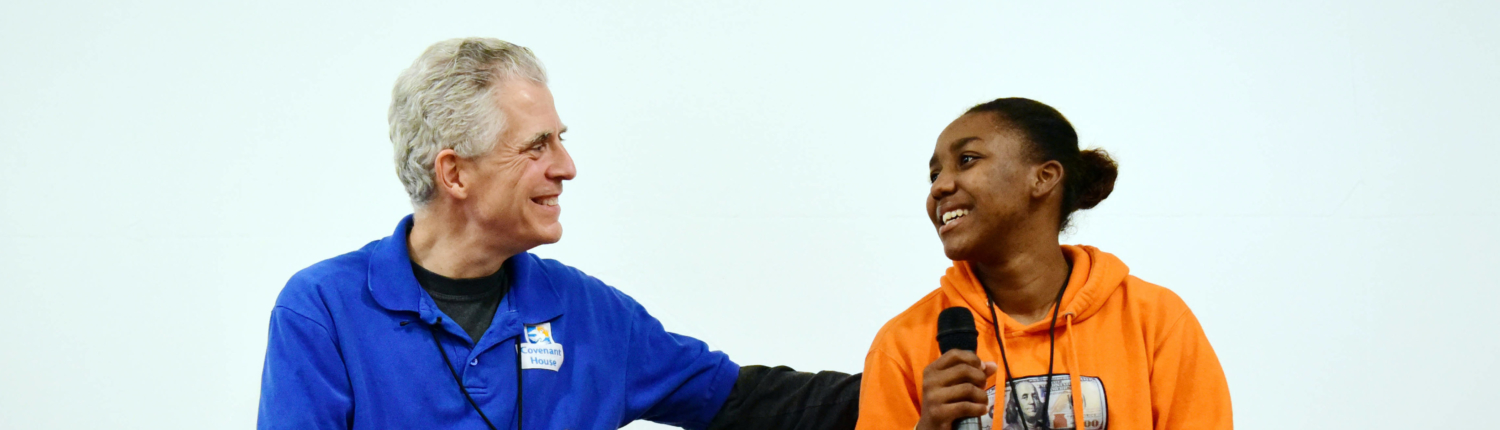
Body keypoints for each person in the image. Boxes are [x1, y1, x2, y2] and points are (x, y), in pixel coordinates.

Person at [257, 37, 858, 430]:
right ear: (454, 172)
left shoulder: (587, 312)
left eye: (561, 139)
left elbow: (743, 402)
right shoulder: (323, 311)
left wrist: (910, 378)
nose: (566, 166)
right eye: (536, 145)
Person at [855, 98, 1231, 430]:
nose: (939, 187)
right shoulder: (902, 344)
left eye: (966, 160)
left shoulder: (1155, 321)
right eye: (934, 175)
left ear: (1044, 177)